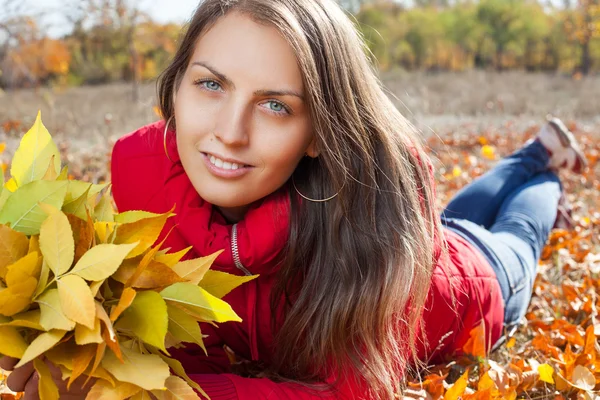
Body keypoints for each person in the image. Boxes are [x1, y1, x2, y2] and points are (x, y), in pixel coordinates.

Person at [0, 0, 588, 399]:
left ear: (319, 134)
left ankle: (542, 170)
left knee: (517, 232)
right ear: (175, 88)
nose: (230, 132)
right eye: (210, 84)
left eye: (276, 105)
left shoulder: (371, 207)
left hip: (476, 286)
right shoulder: (140, 186)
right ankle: (534, 151)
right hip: (437, 239)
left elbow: (347, 392)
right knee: (462, 214)